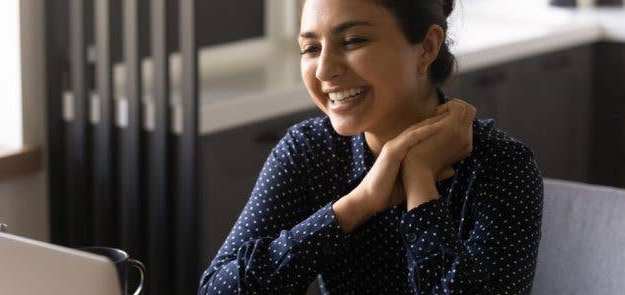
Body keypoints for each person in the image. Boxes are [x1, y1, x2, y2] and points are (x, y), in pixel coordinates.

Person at [199, 0, 544, 293]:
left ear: (427, 47)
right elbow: (216, 288)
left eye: (352, 41)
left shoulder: (501, 165)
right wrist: (355, 206)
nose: (324, 71)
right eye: (311, 48)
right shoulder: (308, 151)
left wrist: (420, 183)